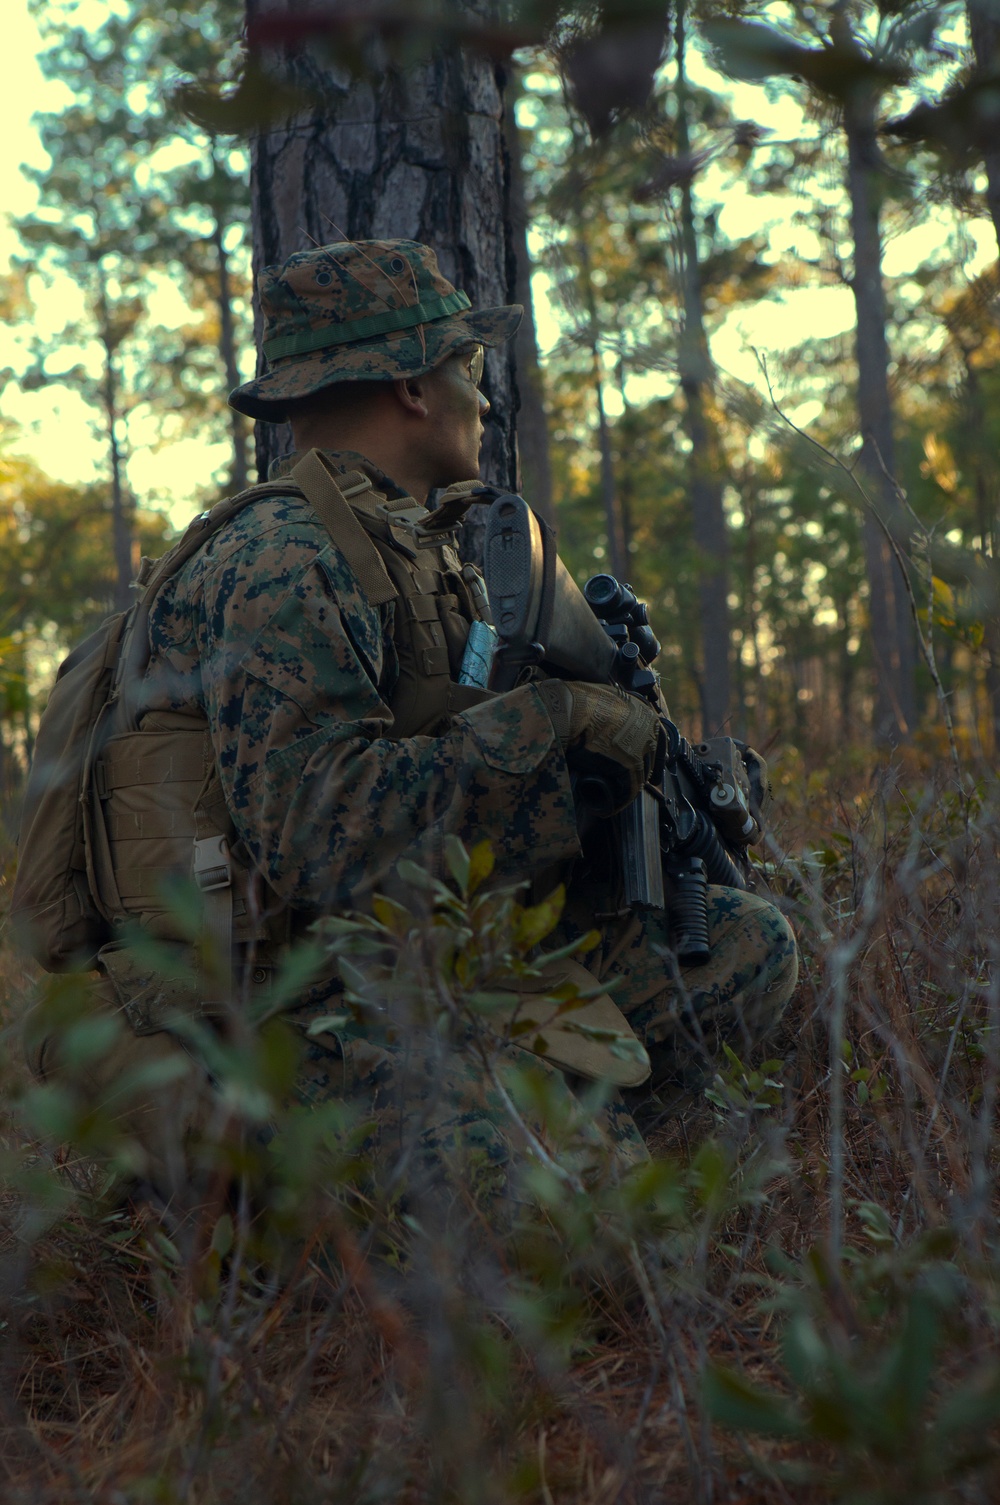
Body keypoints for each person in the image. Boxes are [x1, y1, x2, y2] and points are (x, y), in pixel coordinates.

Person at [28, 239, 798, 1210]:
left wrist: (620, 765)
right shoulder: (285, 563)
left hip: (396, 969)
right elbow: (320, 837)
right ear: (410, 386)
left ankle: (483, 1140)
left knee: (744, 948)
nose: (484, 397)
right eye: (466, 367)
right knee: (587, 1221)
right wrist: (552, 721)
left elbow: (449, 819)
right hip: (260, 1013)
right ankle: (287, 1202)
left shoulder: (411, 552)